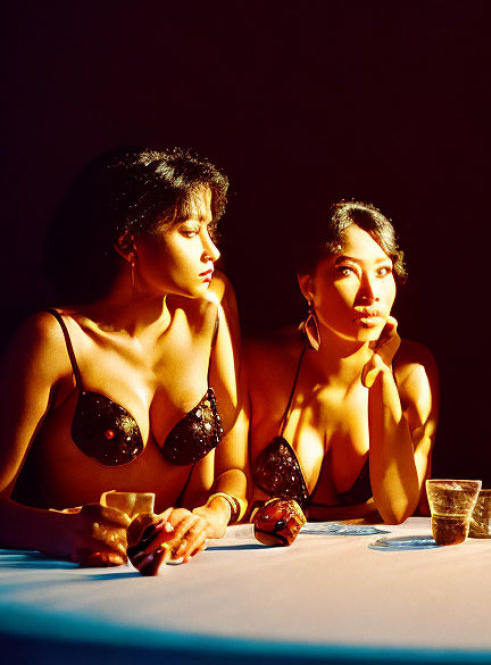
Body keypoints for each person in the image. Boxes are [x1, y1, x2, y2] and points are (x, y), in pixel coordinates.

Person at [0, 147, 247, 566]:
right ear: (127, 241)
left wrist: (211, 515)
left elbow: (233, 471)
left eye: (211, 229)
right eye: (189, 232)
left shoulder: (210, 313)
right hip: (75, 578)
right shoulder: (54, 340)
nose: (212, 251)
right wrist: (61, 533)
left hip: (193, 569)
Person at [245, 200, 438, 524]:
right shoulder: (259, 361)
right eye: (347, 270)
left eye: (383, 271)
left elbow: (396, 508)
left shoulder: (412, 371)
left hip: (370, 565)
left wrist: (382, 373)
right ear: (308, 286)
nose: (371, 293)